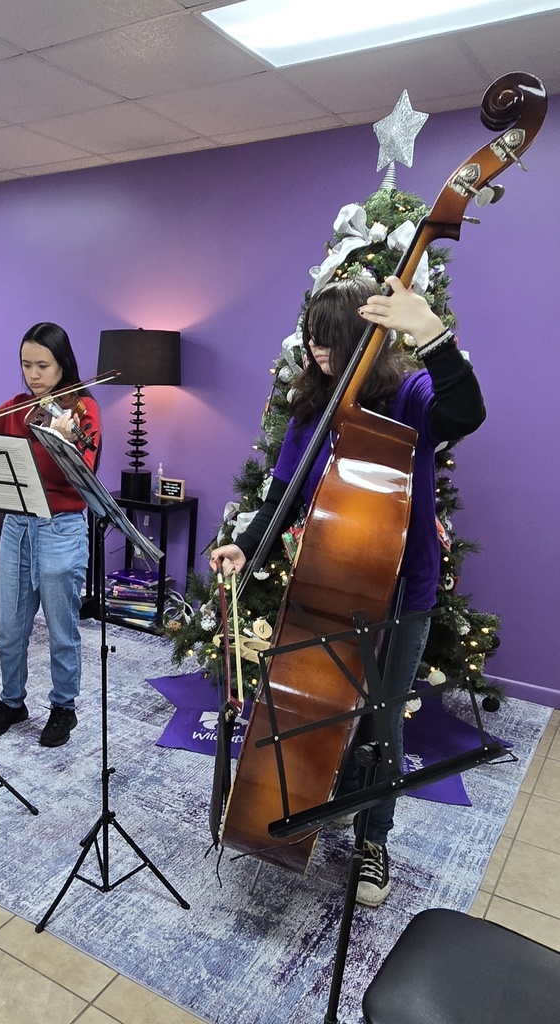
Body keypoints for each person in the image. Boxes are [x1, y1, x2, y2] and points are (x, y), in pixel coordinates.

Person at [209, 276, 486, 908]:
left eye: (327, 338)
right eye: (310, 336)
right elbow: (282, 492)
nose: (313, 349)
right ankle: (314, 803)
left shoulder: (411, 395)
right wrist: (246, 545)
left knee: (382, 721)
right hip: (326, 585)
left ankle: (373, 841)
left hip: (401, 589)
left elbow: (467, 413)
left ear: (364, 339)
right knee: (315, 708)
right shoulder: (310, 411)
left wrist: (432, 335)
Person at [0, 322, 101, 748]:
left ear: (62, 364)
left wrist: (64, 441)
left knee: (61, 628)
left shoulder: (82, 409)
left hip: (60, 528)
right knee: (10, 627)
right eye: (26, 365)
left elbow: (84, 472)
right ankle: (13, 701)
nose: (33, 375)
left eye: (42, 366)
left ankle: (63, 707)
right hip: (17, 525)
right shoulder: (16, 408)